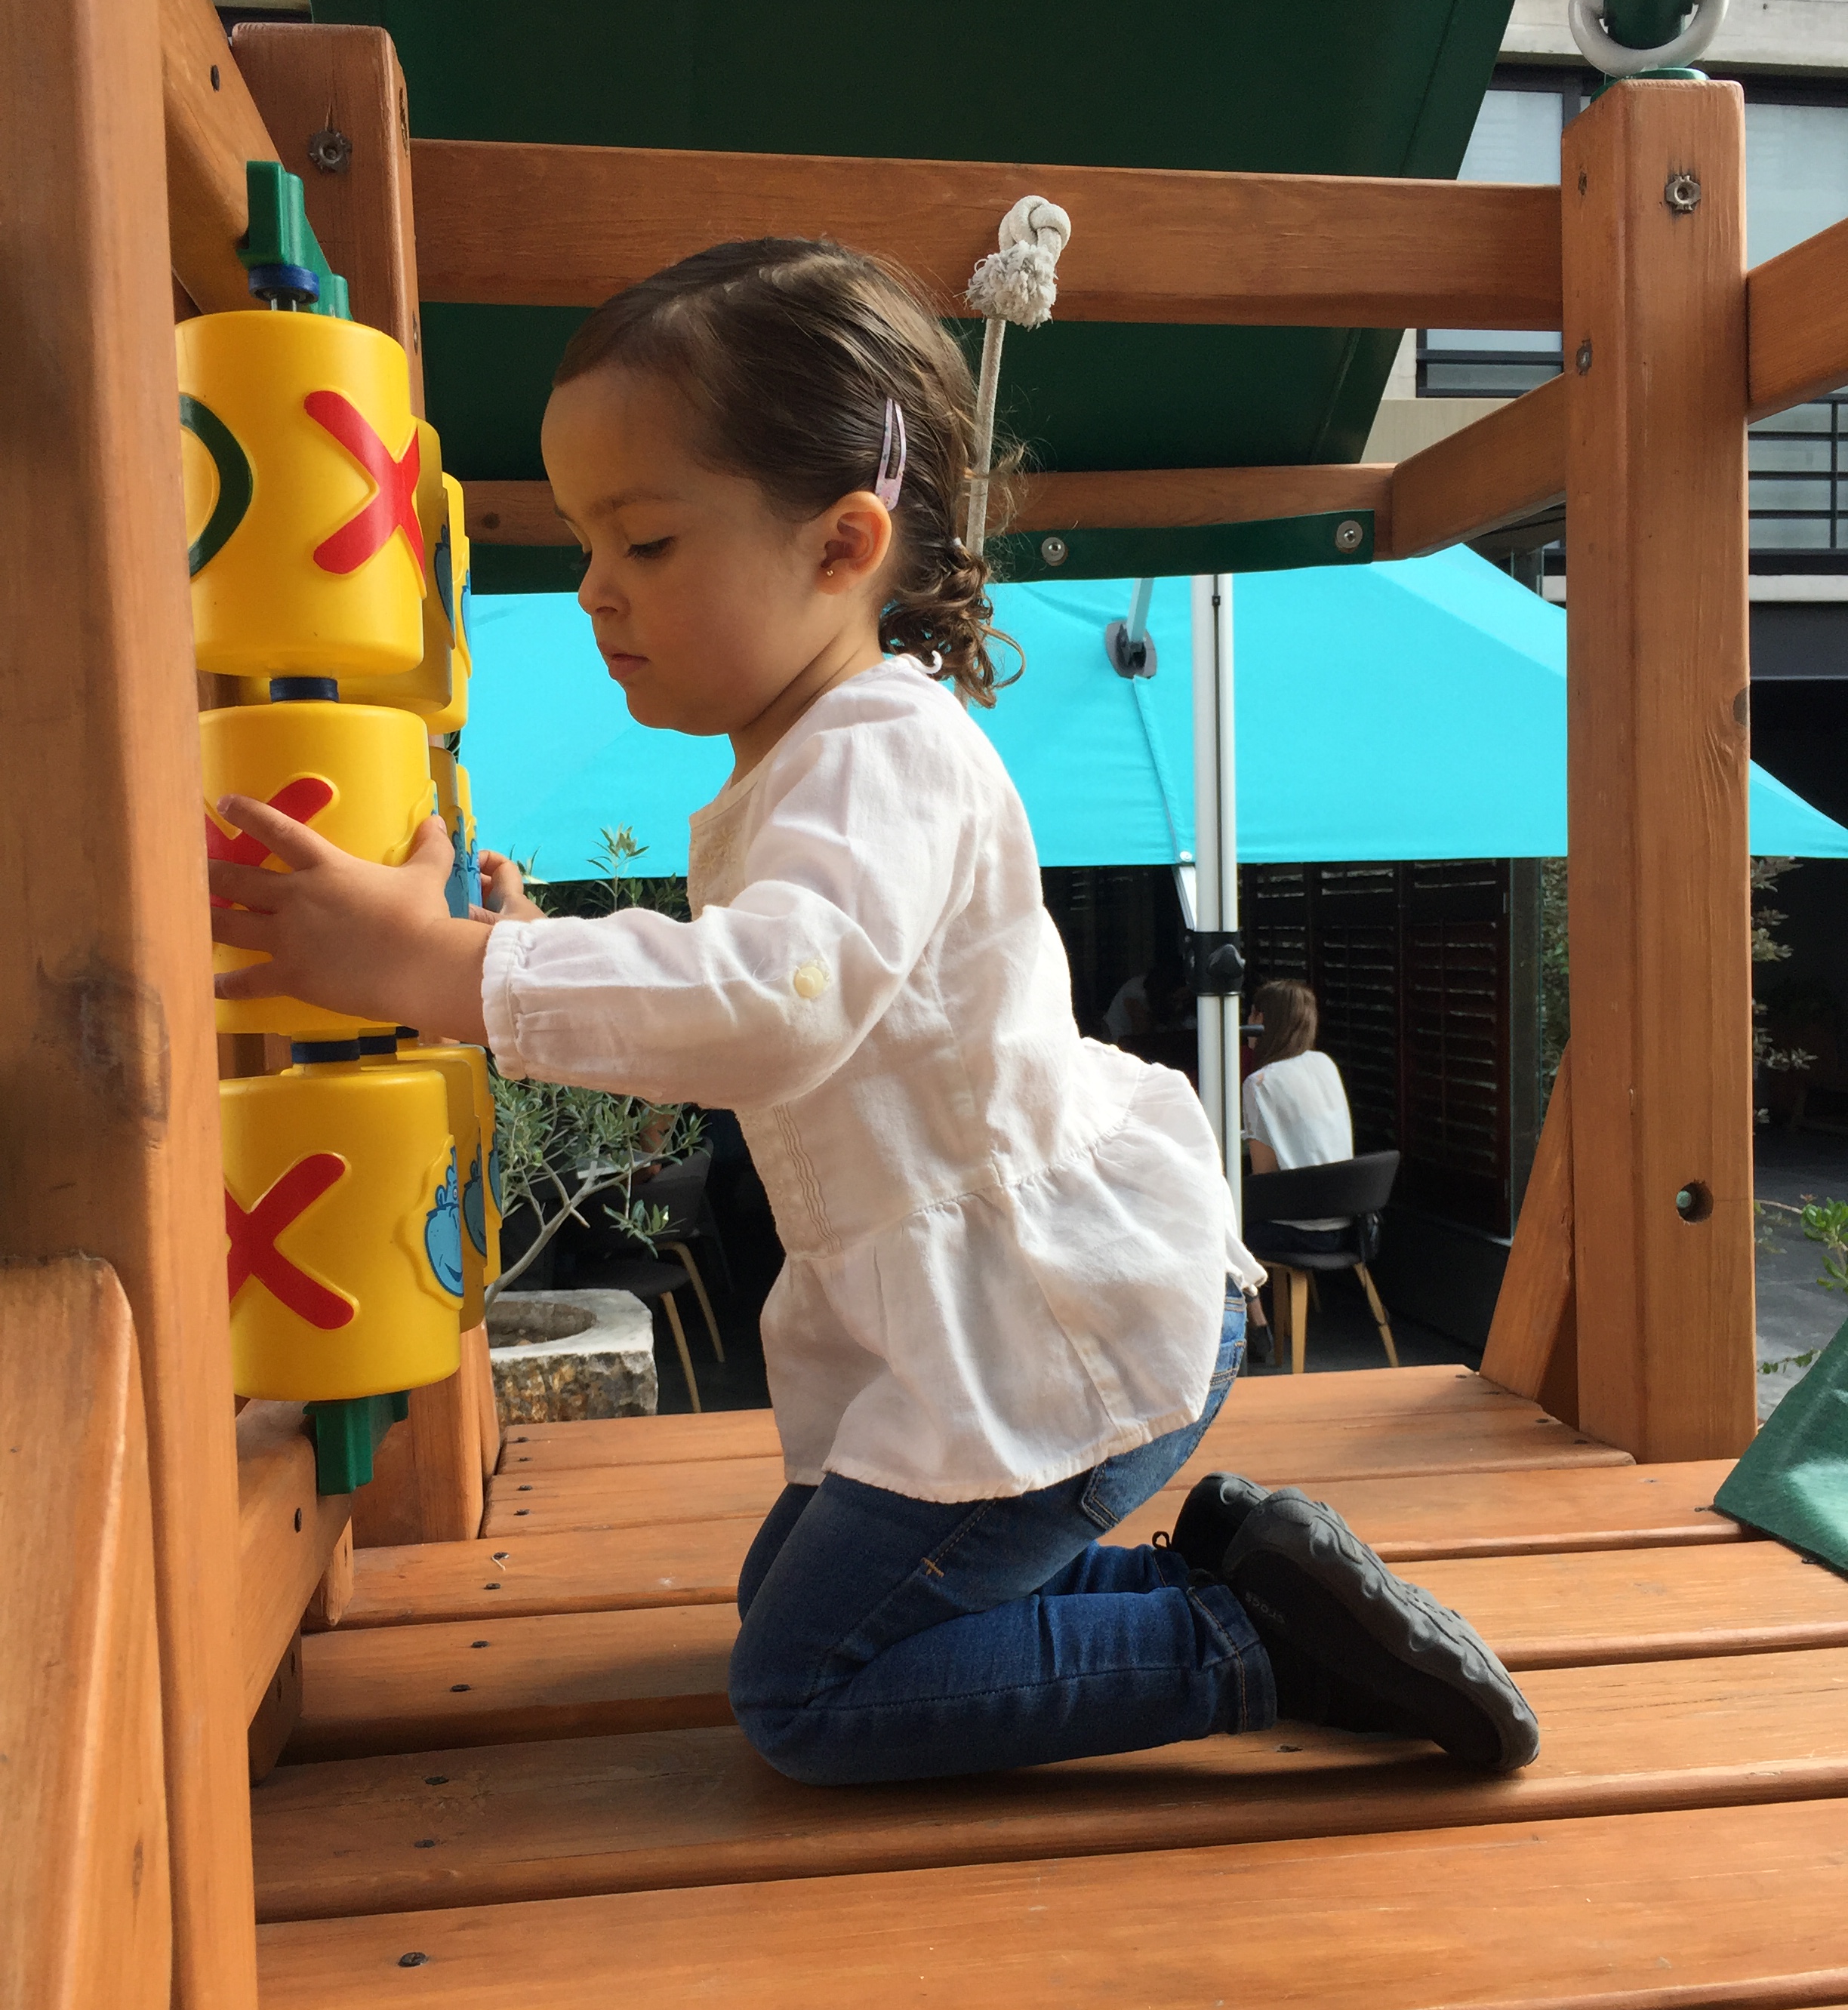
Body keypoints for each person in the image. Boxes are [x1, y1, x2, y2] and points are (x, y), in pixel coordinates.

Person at [208, 238, 1537, 1783]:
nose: (591, 591)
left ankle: (1251, 1645)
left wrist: (446, 970)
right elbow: (759, 993)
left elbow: (771, 1002)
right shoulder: (811, 761)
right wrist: (516, 948)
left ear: (843, 543)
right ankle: (1245, 1572)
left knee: (806, 1693)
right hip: (983, 1321)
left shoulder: (878, 746)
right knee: (794, 1607)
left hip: (1051, 1327)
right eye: (583, 541)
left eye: (644, 540)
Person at [1243, 978, 1356, 1253]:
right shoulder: (1324, 1064)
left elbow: (1264, 1177)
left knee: (1222, 1228)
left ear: (1261, 1020)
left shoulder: (1261, 1083)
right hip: (1348, 1227)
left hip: (1299, 1233)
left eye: (1251, 1014)